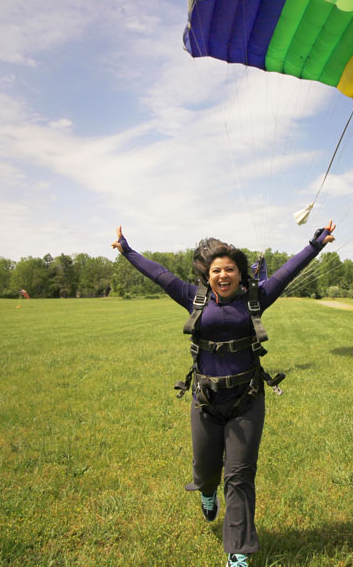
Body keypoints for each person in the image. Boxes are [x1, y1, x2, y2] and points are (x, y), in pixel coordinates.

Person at [111, 221, 336, 567]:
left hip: (246, 399)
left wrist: (315, 244)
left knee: (241, 475)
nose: (224, 274)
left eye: (230, 269)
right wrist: (127, 251)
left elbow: (289, 271)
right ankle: (205, 489)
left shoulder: (256, 297)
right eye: (217, 270)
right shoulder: (193, 298)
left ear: (239, 271)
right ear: (207, 274)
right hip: (205, 399)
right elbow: (160, 275)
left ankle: (238, 552)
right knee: (205, 469)